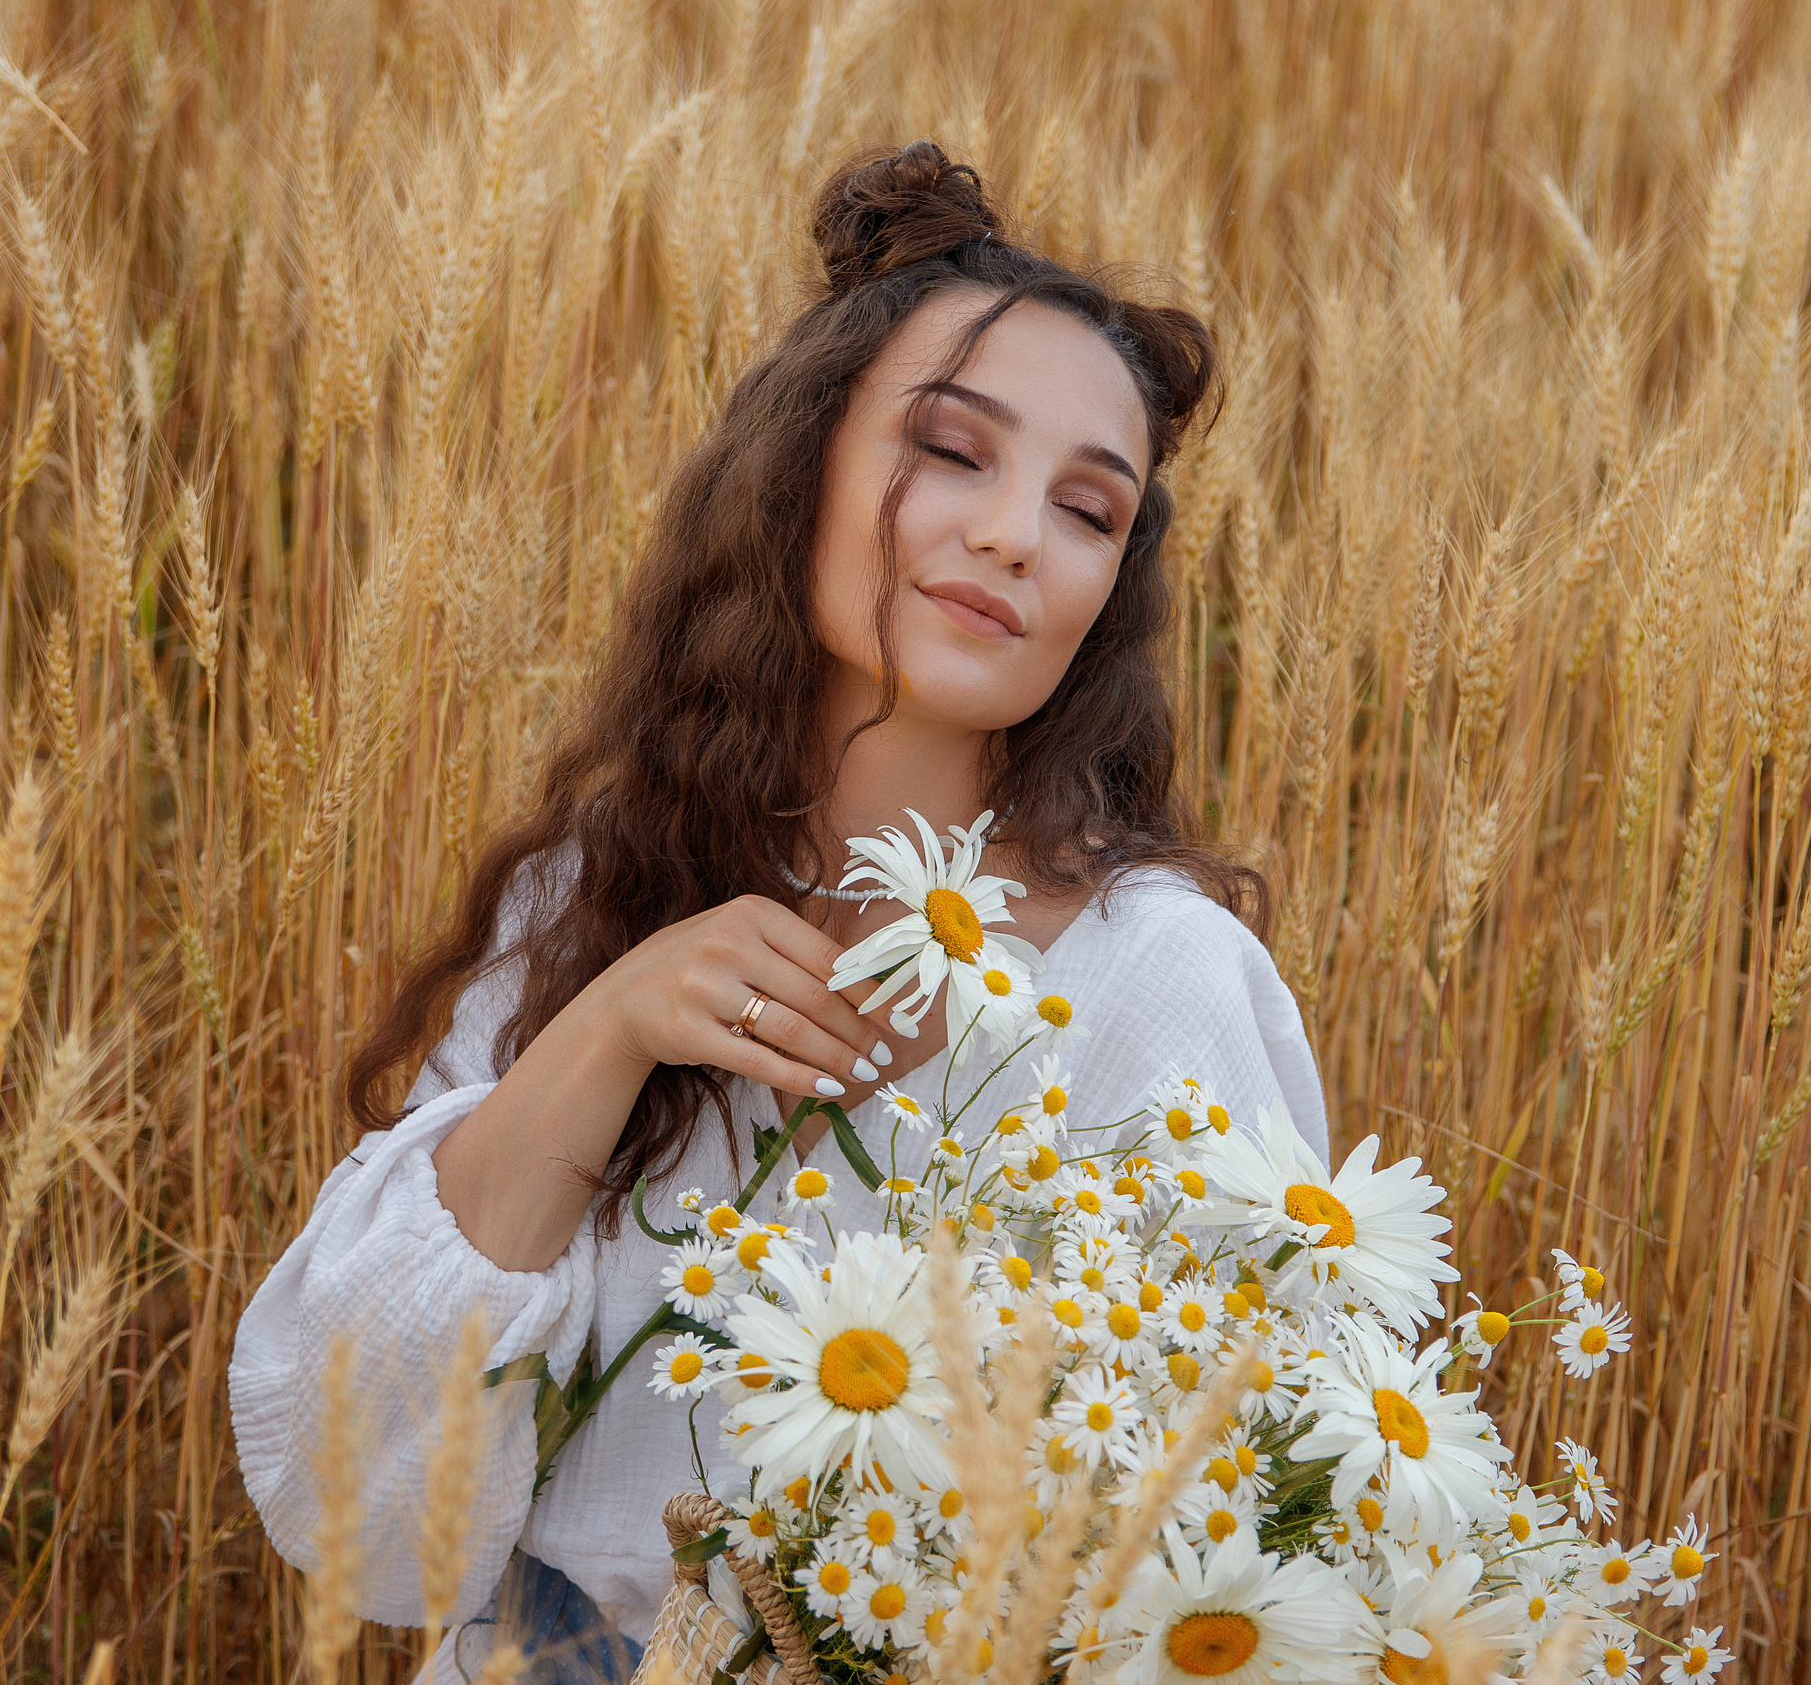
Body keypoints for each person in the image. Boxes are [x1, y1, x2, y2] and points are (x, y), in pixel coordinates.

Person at [228, 140, 1327, 1683]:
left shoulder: (1157, 980)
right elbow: (365, 1517)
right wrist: (609, 1030)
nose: (1020, 534)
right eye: (955, 450)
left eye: (1091, 509)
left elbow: (1261, 1529)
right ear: (801, 460)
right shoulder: (587, 899)